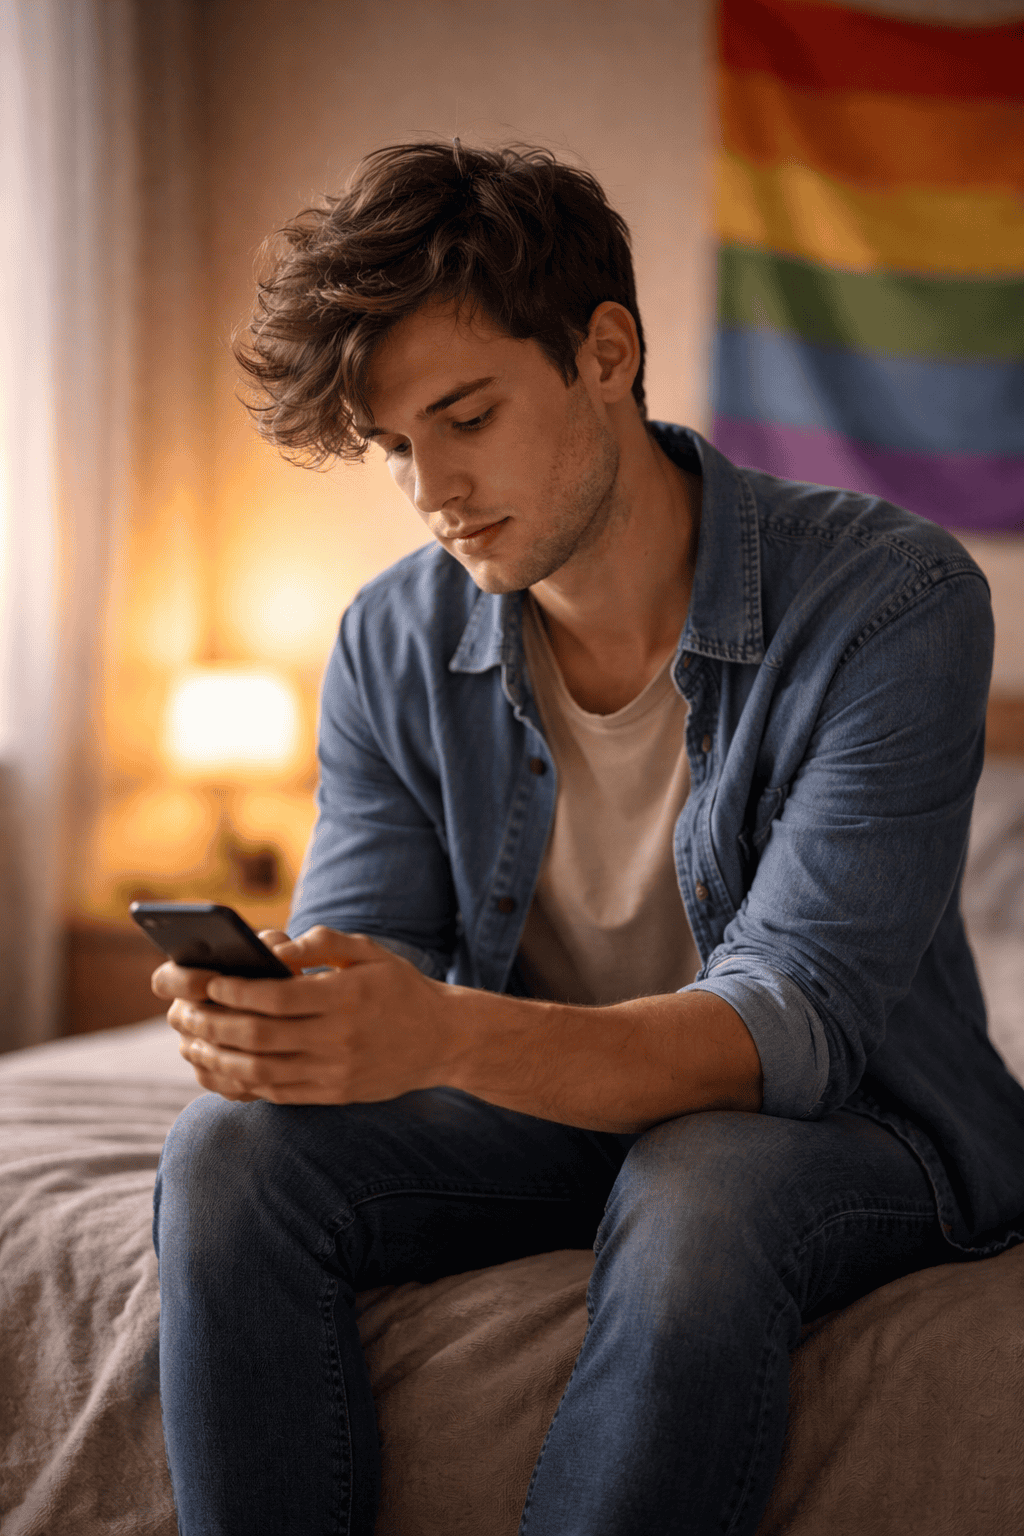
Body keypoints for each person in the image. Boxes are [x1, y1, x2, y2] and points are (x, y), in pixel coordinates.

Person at [151, 141, 1024, 1536]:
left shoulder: (893, 602)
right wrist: (298, 1023)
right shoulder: (392, 634)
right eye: (395, 450)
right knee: (225, 1155)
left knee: (703, 1179)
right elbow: (378, 947)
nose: (432, 488)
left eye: (468, 415)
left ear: (605, 351)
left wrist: (434, 1038)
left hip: (856, 1127)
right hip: (537, 1110)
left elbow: (782, 1033)